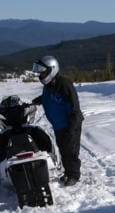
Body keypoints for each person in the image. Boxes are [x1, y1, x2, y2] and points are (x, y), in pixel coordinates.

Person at [31, 56, 83, 187]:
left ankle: (74, 175)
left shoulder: (64, 84)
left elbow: (74, 107)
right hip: (59, 124)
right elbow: (48, 98)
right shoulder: (49, 85)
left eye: (43, 72)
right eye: (40, 72)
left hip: (70, 124)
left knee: (71, 150)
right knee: (63, 149)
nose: (41, 75)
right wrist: (36, 101)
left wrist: (71, 129)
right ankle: (68, 172)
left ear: (52, 70)